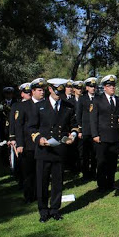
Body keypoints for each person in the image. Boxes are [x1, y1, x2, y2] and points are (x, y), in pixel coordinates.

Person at [28, 78, 78, 222]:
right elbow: (31, 127)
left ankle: (55, 209)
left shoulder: (68, 106)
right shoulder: (39, 106)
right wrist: (39, 139)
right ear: (50, 89)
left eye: (61, 93)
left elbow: (74, 125)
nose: (58, 95)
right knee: (42, 182)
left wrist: (72, 135)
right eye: (56, 92)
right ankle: (43, 211)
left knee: (58, 182)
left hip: (59, 149)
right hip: (44, 150)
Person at [90, 75, 119, 192]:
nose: (112, 87)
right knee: (101, 161)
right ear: (104, 87)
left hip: (115, 136)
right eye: (109, 86)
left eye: (113, 85)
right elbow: (93, 119)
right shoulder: (97, 100)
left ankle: (111, 183)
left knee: (112, 162)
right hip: (102, 136)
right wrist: (95, 135)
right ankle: (101, 185)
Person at [12, 79, 45, 203]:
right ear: (33, 91)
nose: (42, 93)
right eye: (39, 90)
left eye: (43, 90)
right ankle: (29, 196)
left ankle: (40, 194)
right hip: (28, 144)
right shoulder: (23, 106)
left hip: (42, 143)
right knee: (28, 172)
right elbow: (18, 126)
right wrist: (19, 144)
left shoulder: (46, 104)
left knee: (41, 172)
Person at [76, 77, 98, 180]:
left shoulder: (98, 98)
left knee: (94, 153)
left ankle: (93, 173)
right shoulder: (82, 98)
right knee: (85, 154)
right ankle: (85, 174)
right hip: (85, 130)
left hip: (96, 130)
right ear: (87, 88)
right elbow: (78, 114)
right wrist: (79, 129)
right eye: (91, 86)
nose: (93, 88)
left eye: (94, 86)